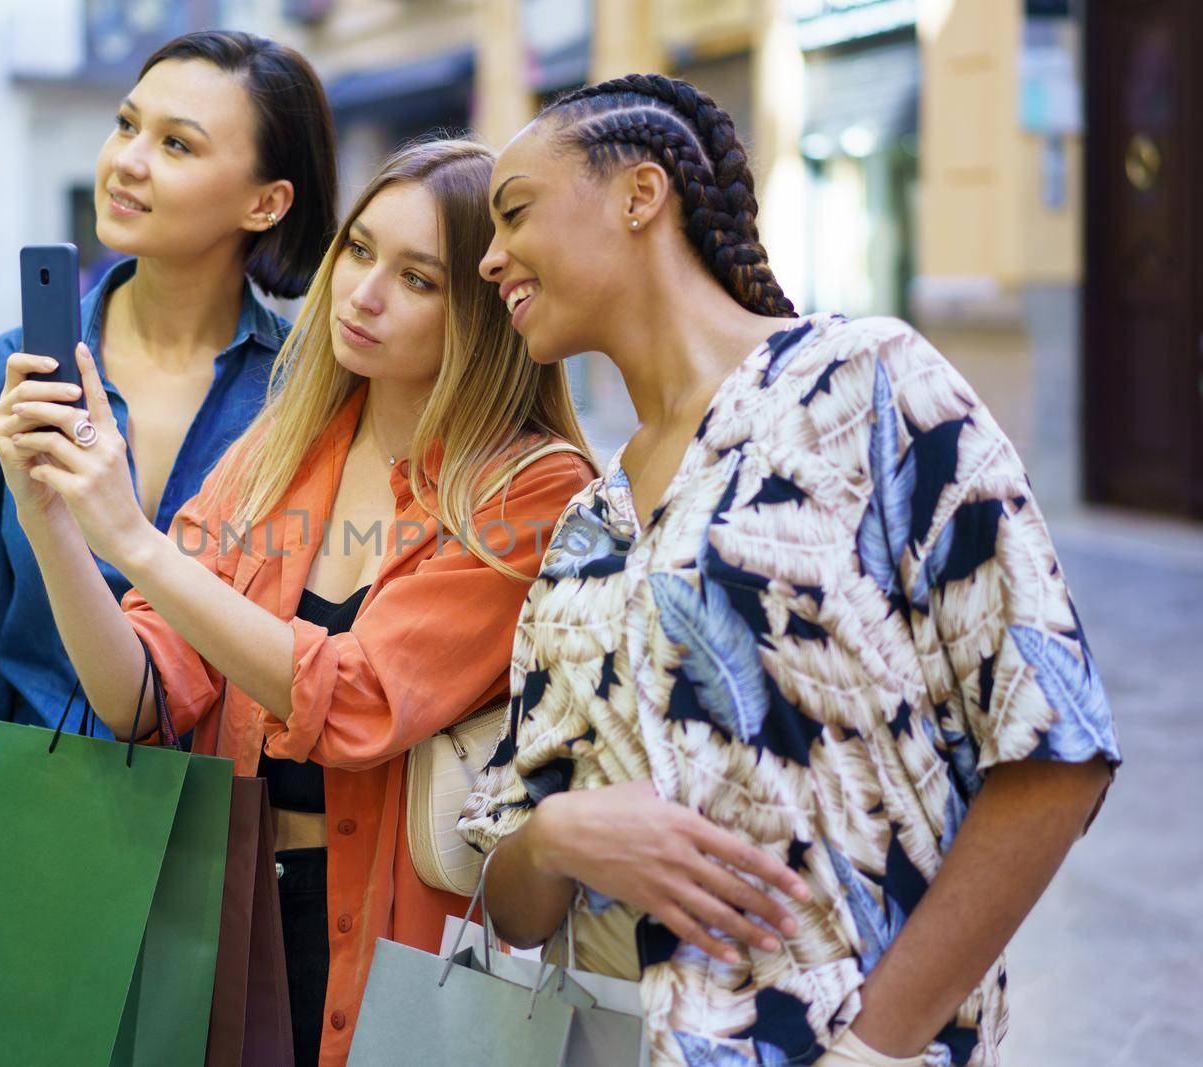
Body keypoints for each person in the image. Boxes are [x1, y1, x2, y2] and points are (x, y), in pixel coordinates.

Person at [462, 73, 1120, 1067]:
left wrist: (878, 1046)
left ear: (642, 196)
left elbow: (1055, 743)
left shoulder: (867, 381)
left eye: (514, 213)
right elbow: (511, 897)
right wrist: (555, 834)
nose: (488, 256)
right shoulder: (585, 529)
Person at [0, 138, 595, 1066]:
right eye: (358, 251)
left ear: (481, 306)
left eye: (418, 278)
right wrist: (53, 522)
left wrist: (137, 542)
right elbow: (142, 693)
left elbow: (356, 700)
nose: (363, 293)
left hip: (405, 947)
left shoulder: (527, 491)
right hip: (230, 917)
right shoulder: (288, 444)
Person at [0, 29, 338, 990]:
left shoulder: (315, 395)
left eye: (178, 144)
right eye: (127, 124)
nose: (128, 160)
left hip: (239, 862)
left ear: (266, 202)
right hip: (44, 834)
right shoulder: (1, 386)